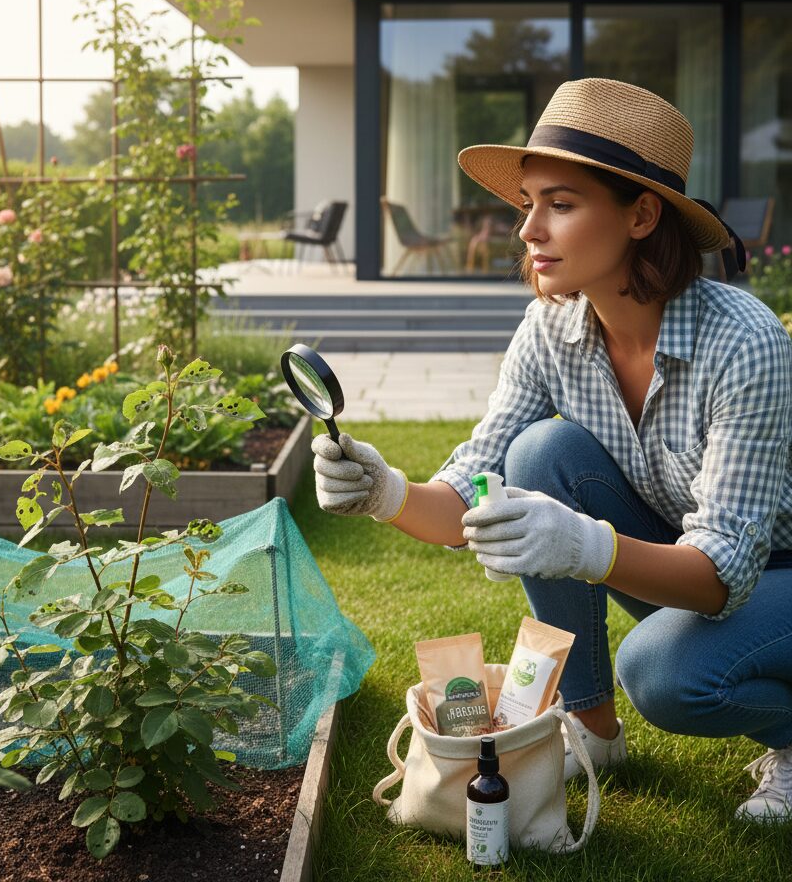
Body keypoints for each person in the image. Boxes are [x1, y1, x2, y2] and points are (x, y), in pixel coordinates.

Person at [312, 78, 792, 823]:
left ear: (641, 214)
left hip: (776, 571)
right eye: (528, 204)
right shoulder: (552, 328)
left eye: (560, 204)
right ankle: (594, 731)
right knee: (540, 455)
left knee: (663, 672)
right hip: (691, 555)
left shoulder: (745, 341)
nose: (528, 230)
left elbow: (722, 574)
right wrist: (387, 492)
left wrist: (585, 544)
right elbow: (472, 488)